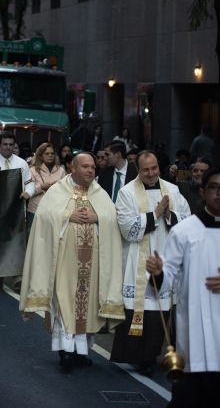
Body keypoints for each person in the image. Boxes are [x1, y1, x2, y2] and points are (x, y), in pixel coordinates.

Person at [19, 153, 124, 372]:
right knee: (65, 304)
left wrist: (98, 218)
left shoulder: (99, 192)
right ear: (73, 168)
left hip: (92, 265)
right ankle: (65, 351)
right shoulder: (58, 190)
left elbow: (113, 218)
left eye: (93, 167)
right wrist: (67, 215)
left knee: (87, 307)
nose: (90, 171)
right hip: (65, 262)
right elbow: (44, 218)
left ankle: (81, 351)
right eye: (85, 167)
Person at [109, 151, 191, 375]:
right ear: (138, 169)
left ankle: (150, 357)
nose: (151, 173)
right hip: (138, 259)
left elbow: (187, 218)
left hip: (165, 258)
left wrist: (169, 216)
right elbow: (125, 227)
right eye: (146, 169)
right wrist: (154, 213)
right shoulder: (126, 193)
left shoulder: (172, 190)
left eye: (154, 168)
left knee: (159, 313)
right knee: (140, 309)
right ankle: (134, 356)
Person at [145, 167, 220, 408]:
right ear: (202, 191)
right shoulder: (184, 232)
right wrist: (157, 272)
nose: (219, 193)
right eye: (214, 187)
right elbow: (167, 278)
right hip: (195, 333)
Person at [0, 131, 35, 286]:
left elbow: (30, 182)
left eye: (10, 145)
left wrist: (28, 192)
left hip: (16, 210)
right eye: (5, 144)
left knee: (16, 242)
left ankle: (16, 276)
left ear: (14, 146)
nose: (8, 147)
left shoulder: (22, 163)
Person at [27, 142, 66, 236]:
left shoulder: (61, 170)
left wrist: (56, 188)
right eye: (47, 154)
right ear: (40, 156)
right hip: (35, 211)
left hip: (54, 211)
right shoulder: (32, 170)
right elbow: (28, 191)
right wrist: (41, 187)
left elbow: (65, 191)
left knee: (51, 240)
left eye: (52, 153)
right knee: (33, 239)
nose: (50, 156)